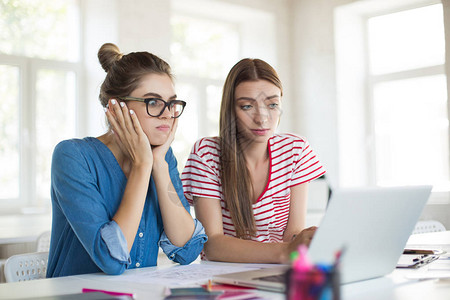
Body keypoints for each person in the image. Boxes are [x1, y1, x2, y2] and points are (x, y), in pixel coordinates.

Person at [47, 43, 207, 277]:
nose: (167, 113)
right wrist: (143, 167)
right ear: (116, 107)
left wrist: (159, 164)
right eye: (153, 102)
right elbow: (111, 260)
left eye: (172, 103)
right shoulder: (72, 156)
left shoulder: (162, 157)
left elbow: (188, 250)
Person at [181, 58, 325, 263]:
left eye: (272, 104)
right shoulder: (207, 154)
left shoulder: (295, 149)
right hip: (223, 274)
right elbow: (213, 244)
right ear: (231, 109)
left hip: (276, 271)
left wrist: (303, 241)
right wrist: (286, 251)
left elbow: (293, 232)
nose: (262, 118)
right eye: (247, 106)